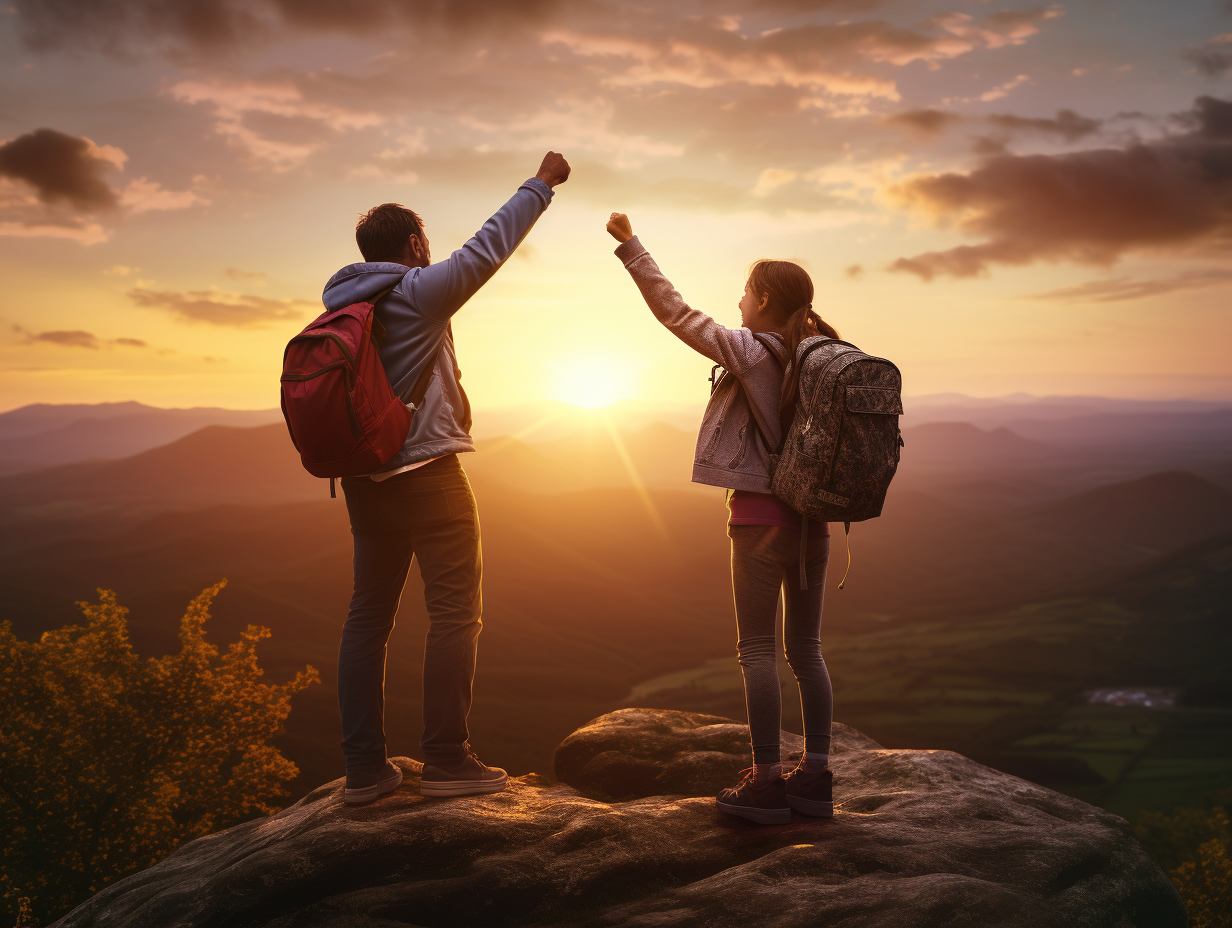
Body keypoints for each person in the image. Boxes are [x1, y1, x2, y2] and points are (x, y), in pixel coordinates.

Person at [322, 151, 571, 805]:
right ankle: (447, 760)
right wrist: (539, 185)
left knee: (366, 619)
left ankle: (364, 771)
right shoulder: (412, 291)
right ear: (413, 244)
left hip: (363, 481)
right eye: (424, 243)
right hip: (429, 475)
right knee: (456, 615)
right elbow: (485, 252)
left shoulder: (347, 304)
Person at [606, 212, 838, 825]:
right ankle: (815, 779)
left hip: (761, 518)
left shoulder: (750, 350)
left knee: (758, 648)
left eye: (744, 292)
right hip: (816, 522)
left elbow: (675, 311)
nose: (738, 302)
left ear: (763, 300)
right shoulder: (823, 354)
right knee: (807, 650)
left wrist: (631, 245)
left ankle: (765, 781)